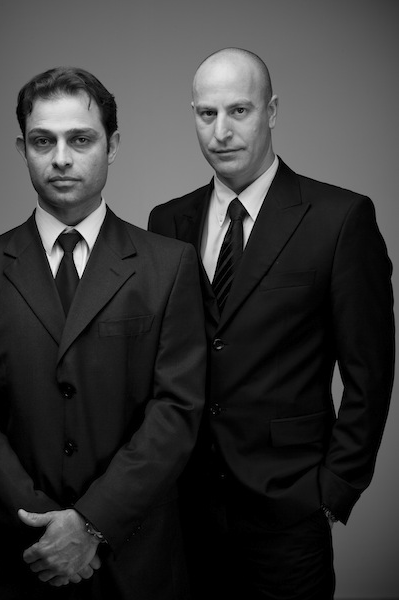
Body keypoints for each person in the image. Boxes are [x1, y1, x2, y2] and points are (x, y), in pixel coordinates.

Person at [0, 66, 206, 600]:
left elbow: (177, 410)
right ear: (23, 149)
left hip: (137, 559)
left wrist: (90, 524)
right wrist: (47, 531)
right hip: (20, 558)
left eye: (80, 139)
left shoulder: (169, 265)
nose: (60, 158)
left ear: (112, 146)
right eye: (43, 141)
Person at [148, 48, 395, 600]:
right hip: (184, 511)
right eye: (207, 114)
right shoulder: (166, 221)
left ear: (272, 111)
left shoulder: (340, 218)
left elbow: (370, 374)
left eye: (239, 110)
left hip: (289, 512)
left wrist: (334, 491)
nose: (221, 131)